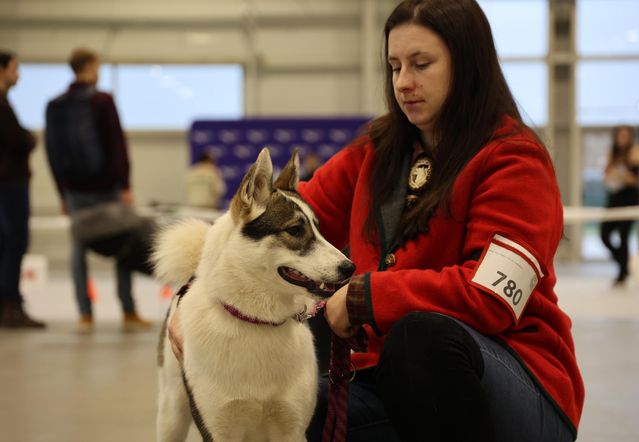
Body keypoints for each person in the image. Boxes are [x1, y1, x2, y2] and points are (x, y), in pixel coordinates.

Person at [169, 1, 584, 440]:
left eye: (421, 64)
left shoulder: (514, 159)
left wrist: (365, 296)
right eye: (394, 66)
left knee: (420, 340)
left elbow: (492, 297)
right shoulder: (377, 149)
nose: (404, 82)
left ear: (468, 65)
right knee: (280, 406)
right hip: (389, 382)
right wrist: (196, 294)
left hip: (518, 381)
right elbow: (277, 223)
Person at [45, 48, 151, 332]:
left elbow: (52, 152)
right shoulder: (102, 100)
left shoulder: (54, 105)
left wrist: (61, 193)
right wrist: (125, 184)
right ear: (92, 66)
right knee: (124, 244)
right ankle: (128, 310)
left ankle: (84, 313)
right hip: (106, 186)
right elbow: (117, 144)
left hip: (74, 189)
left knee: (79, 245)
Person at [0, 50, 46, 329]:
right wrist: (28, 138)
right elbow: (20, 140)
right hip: (9, 185)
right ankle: (11, 305)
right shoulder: (1, 106)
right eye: (15, 69)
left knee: (7, 243)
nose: (18, 74)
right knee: (14, 242)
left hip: (9, 183)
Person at [600, 125, 639, 286]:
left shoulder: (635, 152)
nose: (622, 138)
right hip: (614, 197)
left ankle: (622, 273)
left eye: (625, 135)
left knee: (623, 235)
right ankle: (624, 265)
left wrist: (619, 174)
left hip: (630, 197)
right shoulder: (612, 153)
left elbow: (635, 179)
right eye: (620, 135)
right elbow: (606, 176)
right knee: (604, 234)